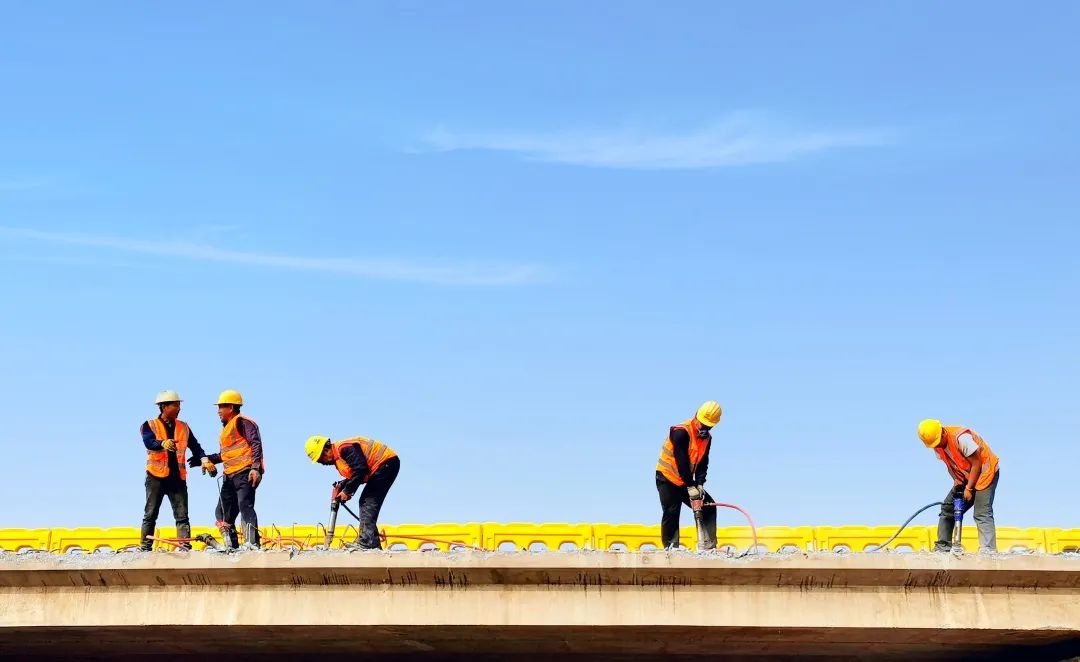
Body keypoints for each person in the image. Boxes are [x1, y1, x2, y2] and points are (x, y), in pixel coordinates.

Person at [139, 390, 215, 551]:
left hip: (177, 479)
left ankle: (184, 546)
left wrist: (204, 460)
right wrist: (162, 443)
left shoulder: (184, 427)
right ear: (163, 407)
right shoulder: (149, 425)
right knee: (150, 514)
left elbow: (195, 446)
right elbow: (148, 442)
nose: (179, 408)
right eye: (175, 405)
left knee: (182, 516)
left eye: (179, 405)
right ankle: (145, 548)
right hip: (156, 477)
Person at [917, 419, 1001, 553]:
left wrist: (968, 488)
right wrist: (956, 480)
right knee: (947, 509)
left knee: (981, 513)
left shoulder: (961, 438)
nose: (937, 445)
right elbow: (949, 464)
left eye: (938, 441)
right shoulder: (937, 446)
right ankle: (942, 547)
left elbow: (977, 463)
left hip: (985, 473)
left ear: (943, 432)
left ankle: (988, 549)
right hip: (966, 476)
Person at [305, 435, 399, 549]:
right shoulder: (339, 458)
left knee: (367, 501)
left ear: (325, 451)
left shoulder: (344, 449)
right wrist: (344, 485)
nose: (322, 463)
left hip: (385, 464)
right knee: (366, 501)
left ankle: (367, 542)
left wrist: (347, 490)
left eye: (320, 459)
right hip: (383, 466)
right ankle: (371, 542)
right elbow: (355, 473)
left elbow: (361, 469)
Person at [655, 401, 722, 550]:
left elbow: (703, 462)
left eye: (708, 426)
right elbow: (682, 462)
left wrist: (699, 484)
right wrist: (690, 486)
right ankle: (671, 550)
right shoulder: (680, 432)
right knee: (672, 511)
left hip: (687, 481)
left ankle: (709, 547)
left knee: (708, 506)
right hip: (668, 478)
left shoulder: (707, 439)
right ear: (696, 415)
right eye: (702, 424)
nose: (703, 428)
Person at [204, 390, 265, 549]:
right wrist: (205, 459)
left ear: (230, 407)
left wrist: (256, 468)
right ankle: (231, 545)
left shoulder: (243, 422)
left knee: (245, 505)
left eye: (220, 407)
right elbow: (226, 454)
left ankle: (252, 543)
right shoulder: (226, 428)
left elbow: (255, 444)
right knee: (223, 512)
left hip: (245, 472)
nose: (218, 411)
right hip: (229, 476)